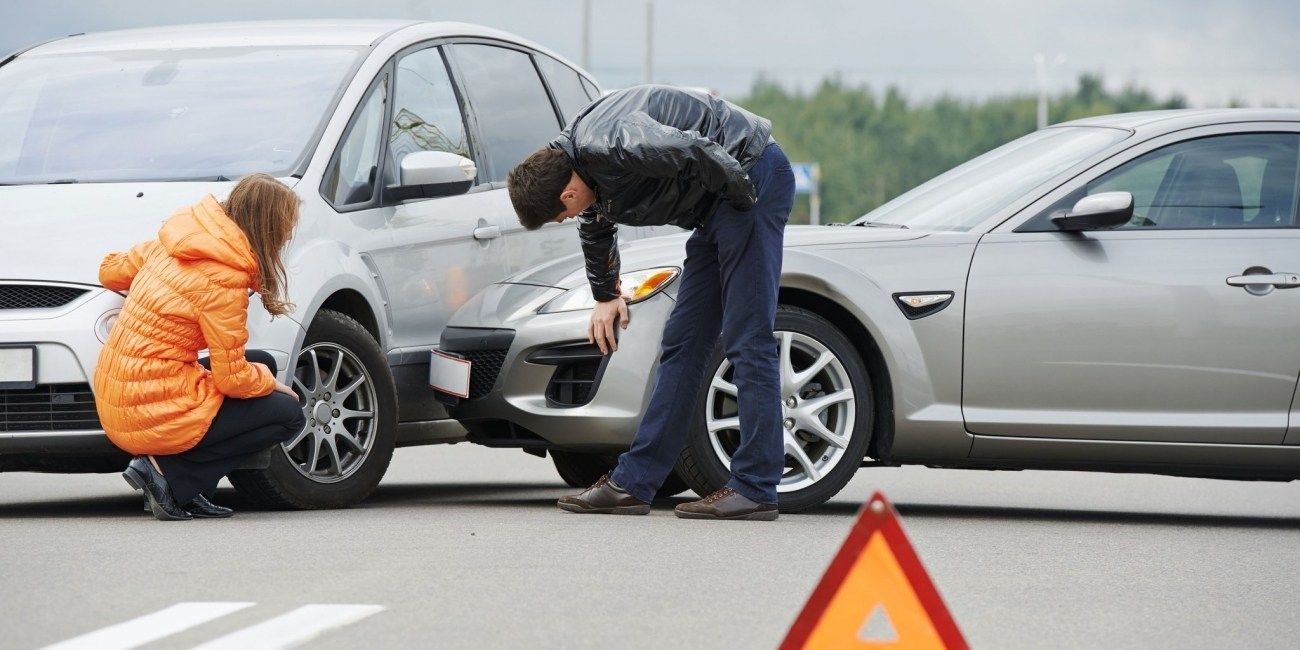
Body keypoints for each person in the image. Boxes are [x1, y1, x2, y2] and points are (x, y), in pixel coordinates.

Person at [508, 85, 795, 520]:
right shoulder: (577, 163)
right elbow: (596, 225)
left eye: (559, 216)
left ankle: (756, 487)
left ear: (566, 195)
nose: (567, 219)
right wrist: (605, 296)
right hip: (719, 205)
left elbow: (697, 150)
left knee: (746, 335)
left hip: (749, 179)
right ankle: (634, 483)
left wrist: (743, 208)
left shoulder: (615, 142)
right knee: (682, 341)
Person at [94, 173, 307, 521]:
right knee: (287, 414)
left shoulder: (180, 239)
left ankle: (186, 487)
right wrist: (271, 382)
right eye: (286, 228)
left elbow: (109, 271)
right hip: (147, 405)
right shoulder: (224, 279)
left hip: (118, 388)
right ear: (269, 228)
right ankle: (170, 477)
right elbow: (232, 379)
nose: (286, 238)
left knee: (262, 360)